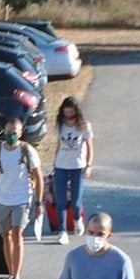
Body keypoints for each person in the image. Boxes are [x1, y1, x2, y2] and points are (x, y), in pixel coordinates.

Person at [0, 117, 44, 279]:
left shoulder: (27, 151)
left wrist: (39, 202)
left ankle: (17, 277)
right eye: (8, 133)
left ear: (20, 133)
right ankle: (10, 274)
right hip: (2, 199)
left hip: (22, 199)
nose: (10, 136)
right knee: (6, 236)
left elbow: (38, 177)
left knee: (17, 234)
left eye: (14, 133)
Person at [51, 96, 95, 246]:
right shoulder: (60, 125)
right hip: (61, 166)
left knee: (76, 201)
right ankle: (62, 231)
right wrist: (54, 163)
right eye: (66, 112)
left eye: (72, 112)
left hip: (78, 166)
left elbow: (90, 146)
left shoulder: (84, 126)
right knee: (61, 200)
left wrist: (89, 165)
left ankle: (77, 219)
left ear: (77, 112)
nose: (69, 115)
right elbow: (58, 144)